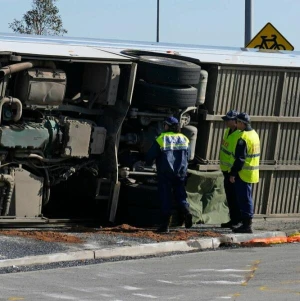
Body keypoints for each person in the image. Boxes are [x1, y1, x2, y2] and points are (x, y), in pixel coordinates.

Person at [145, 116, 192, 233]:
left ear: (168, 126)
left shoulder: (162, 138)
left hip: (166, 173)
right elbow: (188, 156)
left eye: (165, 124)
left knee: (166, 198)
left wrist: (147, 162)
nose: (164, 126)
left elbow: (151, 155)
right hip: (181, 173)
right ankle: (187, 212)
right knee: (181, 196)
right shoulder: (184, 139)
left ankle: (165, 226)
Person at [229, 113, 260, 233]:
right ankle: (246, 224)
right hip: (251, 171)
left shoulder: (244, 138)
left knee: (244, 199)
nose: (236, 124)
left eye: (237, 122)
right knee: (247, 198)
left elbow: (240, 158)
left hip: (243, 173)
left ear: (242, 123)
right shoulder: (254, 134)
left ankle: (247, 225)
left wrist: (233, 173)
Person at [219, 110, 242, 229]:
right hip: (226, 170)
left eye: (229, 120)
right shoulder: (228, 131)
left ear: (236, 121)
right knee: (230, 197)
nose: (226, 122)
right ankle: (233, 219)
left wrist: (233, 172)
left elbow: (239, 156)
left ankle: (238, 220)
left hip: (234, 171)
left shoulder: (239, 134)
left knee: (236, 197)